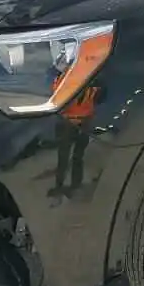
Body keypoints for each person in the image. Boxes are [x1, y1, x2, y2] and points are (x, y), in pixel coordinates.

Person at [47, 55, 100, 199]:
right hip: (69, 123)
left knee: (76, 157)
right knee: (65, 157)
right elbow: (57, 99)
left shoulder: (90, 81)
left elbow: (98, 96)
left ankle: (74, 186)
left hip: (82, 123)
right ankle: (61, 187)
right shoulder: (62, 80)